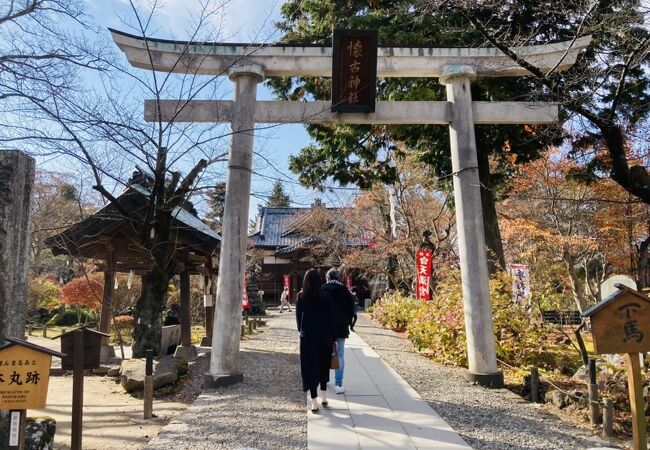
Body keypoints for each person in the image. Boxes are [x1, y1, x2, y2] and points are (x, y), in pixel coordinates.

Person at [296, 269, 336, 413]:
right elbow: (332, 319)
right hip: (325, 337)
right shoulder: (326, 296)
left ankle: (314, 401)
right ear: (320, 280)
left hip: (307, 338)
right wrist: (334, 338)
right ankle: (324, 396)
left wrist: (303, 330)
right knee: (323, 365)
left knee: (309, 367)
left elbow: (298, 321)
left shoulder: (301, 297)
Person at [322, 268, 355, 394]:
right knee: (340, 354)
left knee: (324, 353)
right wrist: (348, 322)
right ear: (339, 277)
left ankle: (324, 381)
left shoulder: (323, 289)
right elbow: (352, 309)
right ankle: (339, 384)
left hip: (325, 327)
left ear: (328, 278)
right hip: (341, 327)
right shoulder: (345, 291)